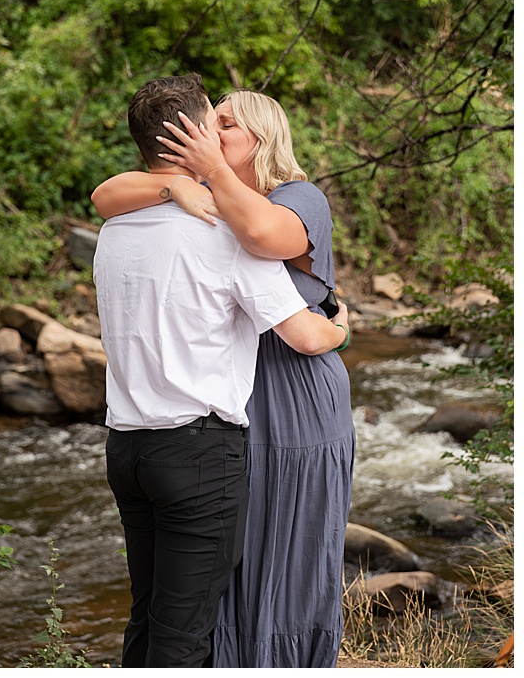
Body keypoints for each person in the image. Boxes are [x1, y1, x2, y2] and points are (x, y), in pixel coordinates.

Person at [91, 74, 350, 668]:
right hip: (220, 413)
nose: (216, 132)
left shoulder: (292, 200)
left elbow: (263, 236)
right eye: (215, 119)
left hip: (289, 394)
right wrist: (178, 189)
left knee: (271, 549)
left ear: (261, 139)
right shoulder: (192, 215)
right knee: (197, 594)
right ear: (187, 135)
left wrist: (338, 331)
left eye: (229, 125)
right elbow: (107, 193)